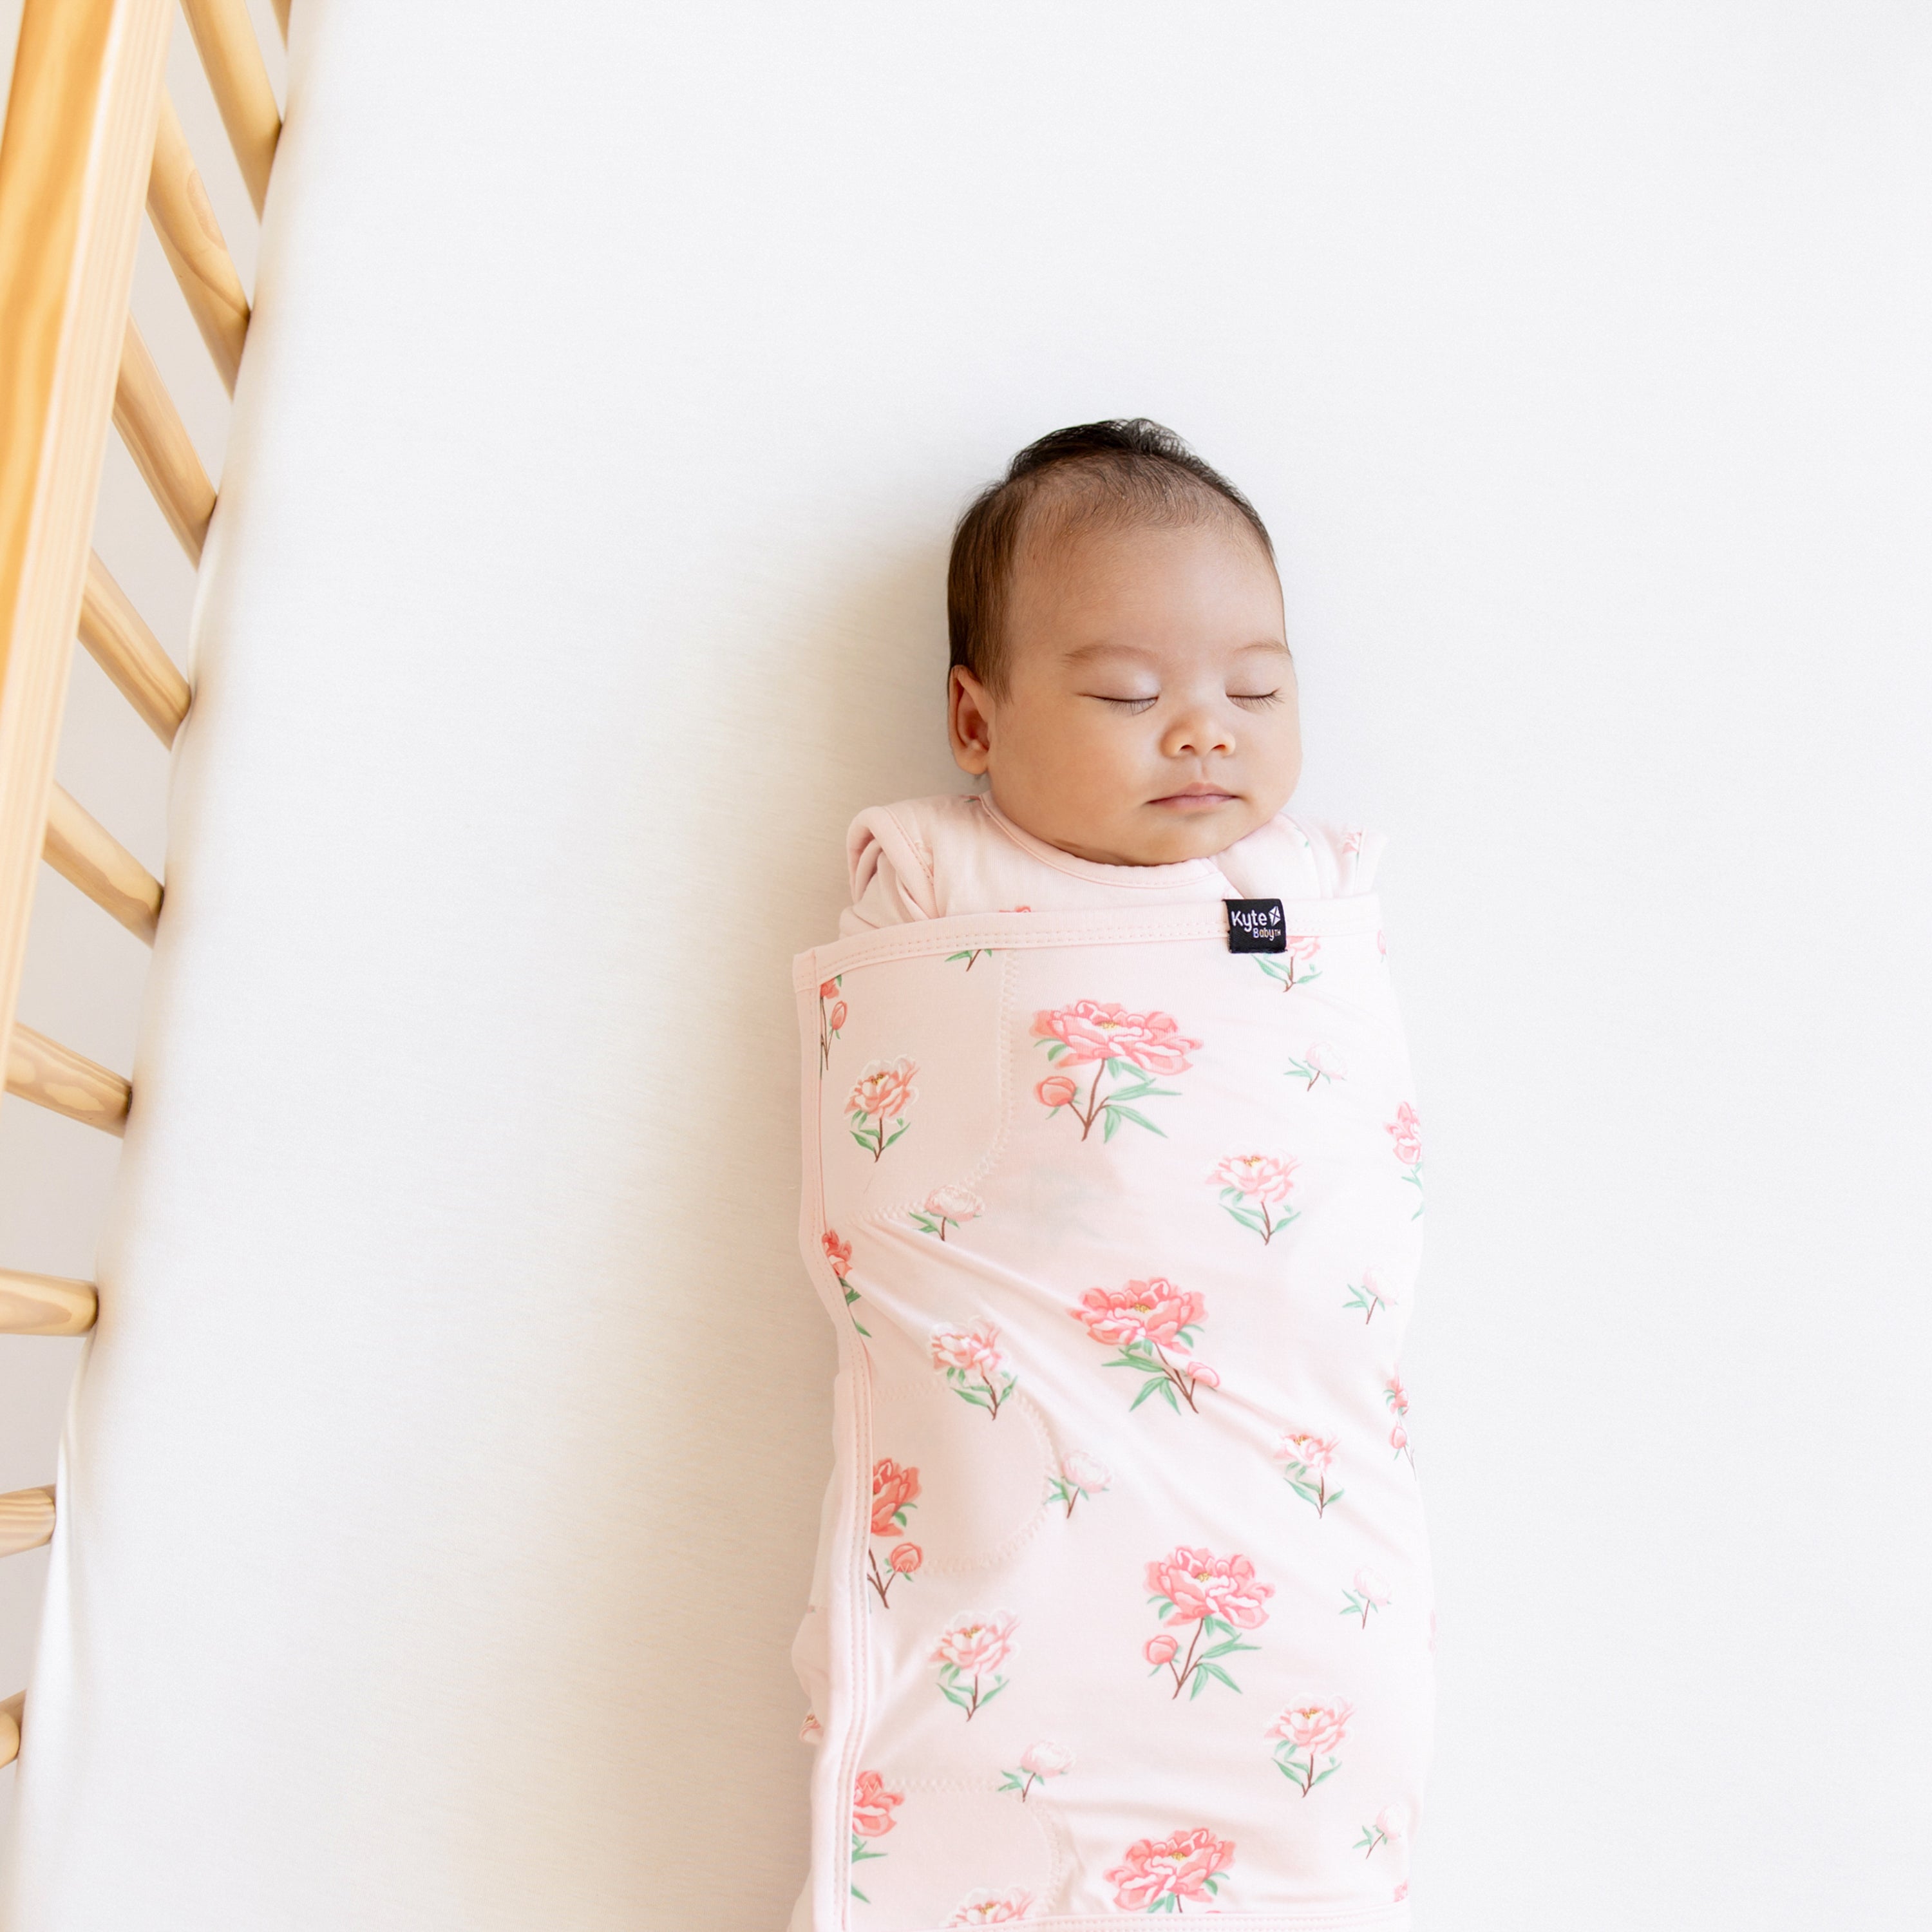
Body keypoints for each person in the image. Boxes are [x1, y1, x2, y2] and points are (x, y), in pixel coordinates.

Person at [791, 422, 1429, 1931]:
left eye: (1255, 689)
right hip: (1027, 1435)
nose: (1206, 731)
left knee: (1318, 1742)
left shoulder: (1307, 888)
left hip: (1286, 1473)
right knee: (970, 1712)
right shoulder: (940, 871)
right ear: (976, 718)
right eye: (1130, 694)